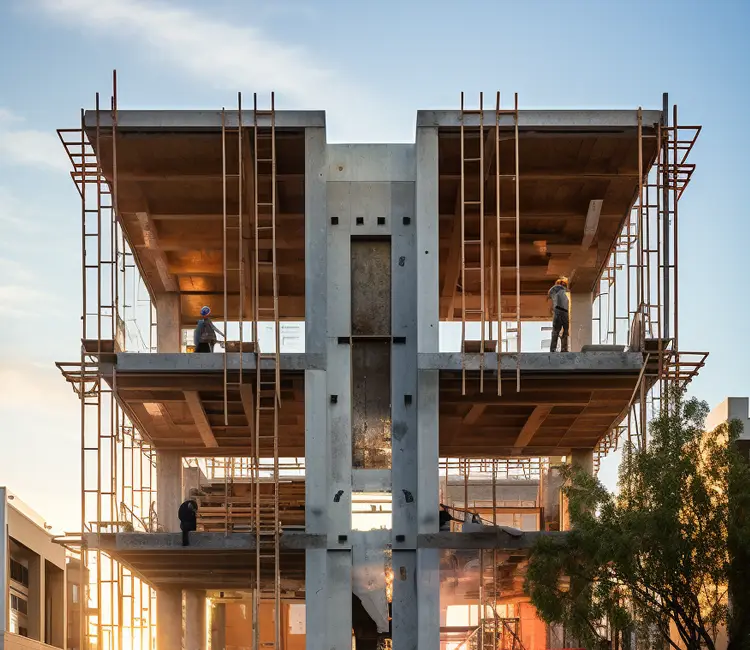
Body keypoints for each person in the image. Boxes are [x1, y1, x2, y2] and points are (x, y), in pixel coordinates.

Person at [548, 277, 570, 352]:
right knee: (562, 331)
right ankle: (562, 349)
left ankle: (555, 349)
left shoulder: (560, 293)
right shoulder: (559, 291)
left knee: (557, 332)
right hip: (562, 312)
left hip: (560, 311)